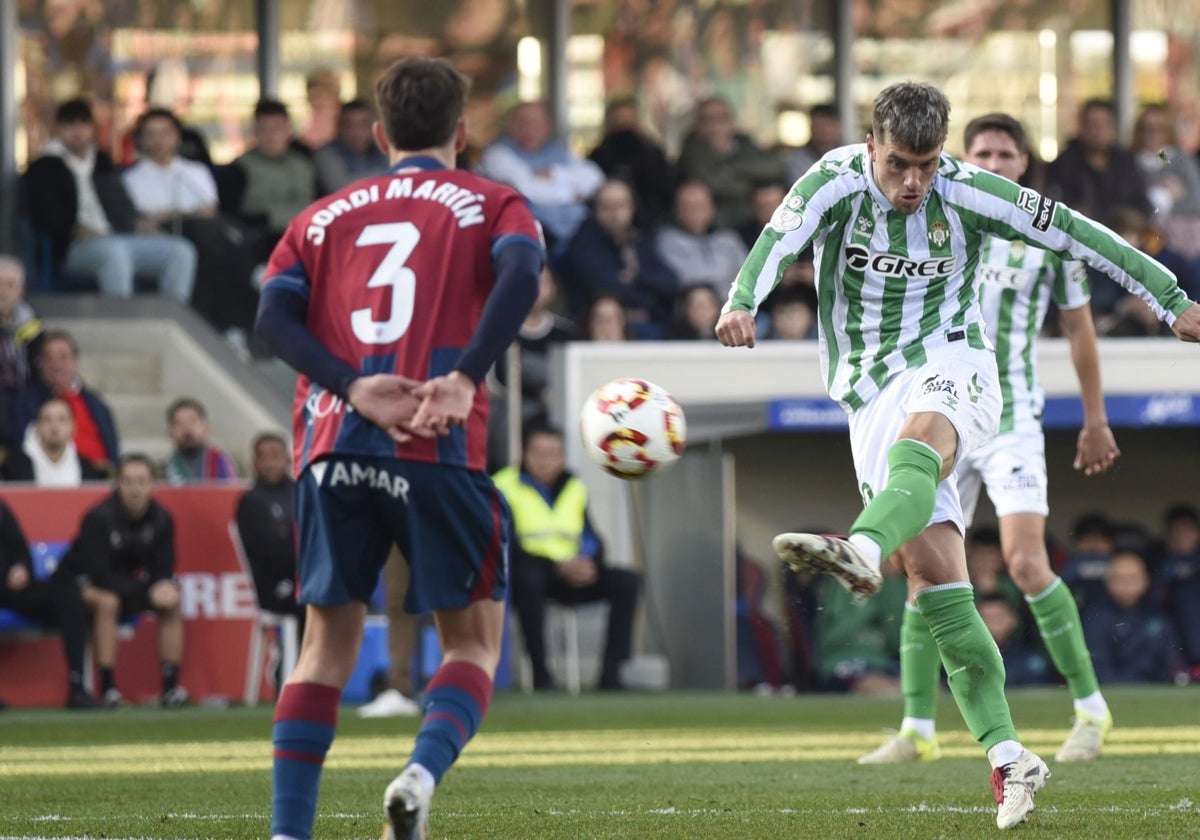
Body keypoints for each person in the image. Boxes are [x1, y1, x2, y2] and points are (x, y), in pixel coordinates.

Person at [716, 82, 1200, 830]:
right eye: (902, 164)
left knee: (926, 452)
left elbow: (1078, 231)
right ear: (872, 144)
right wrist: (742, 298)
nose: (916, 182)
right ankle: (1010, 759)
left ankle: (862, 546)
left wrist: (1172, 298)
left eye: (929, 165)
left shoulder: (972, 191)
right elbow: (779, 236)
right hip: (866, 390)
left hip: (960, 364)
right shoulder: (832, 181)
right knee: (942, 591)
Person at [253, 56, 544, 840]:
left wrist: (351, 385)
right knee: (475, 643)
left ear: (379, 134)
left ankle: (288, 833)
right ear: (462, 130)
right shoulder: (491, 200)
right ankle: (418, 774)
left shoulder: (320, 216)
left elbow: (271, 323)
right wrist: (462, 377)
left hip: (333, 445)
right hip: (436, 445)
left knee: (321, 653)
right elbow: (525, 270)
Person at [859, 113, 1120, 768]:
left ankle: (1091, 708)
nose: (995, 162)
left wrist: (1095, 419)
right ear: (959, 159)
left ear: (1023, 164)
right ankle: (917, 727)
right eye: (983, 152)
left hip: (1009, 420)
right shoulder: (931, 223)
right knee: (925, 574)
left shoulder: (1043, 238)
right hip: (940, 412)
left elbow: (1080, 331)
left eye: (1007, 152)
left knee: (1026, 564)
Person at [493, 425, 640, 691]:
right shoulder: (504, 485)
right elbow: (506, 545)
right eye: (537, 453)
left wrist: (589, 563)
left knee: (627, 581)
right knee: (528, 580)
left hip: (572, 573)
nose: (544, 460)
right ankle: (541, 675)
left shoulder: (574, 487)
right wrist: (555, 566)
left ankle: (611, 674)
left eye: (552, 453)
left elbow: (592, 538)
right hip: (532, 573)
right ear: (524, 454)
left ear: (562, 457)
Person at [22, 98, 196, 302]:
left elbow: (121, 204)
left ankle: (170, 320)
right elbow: (44, 217)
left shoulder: (102, 163)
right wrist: (74, 227)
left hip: (117, 236)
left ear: (92, 129)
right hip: (74, 246)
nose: (77, 131)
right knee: (115, 253)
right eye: (70, 124)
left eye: (83, 124)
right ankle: (122, 322)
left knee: (180, 251)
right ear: (58, 129)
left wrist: (138, 223)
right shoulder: (44, 168)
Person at [54, 454, 187, 708]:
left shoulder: (162, 518)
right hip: (79, 585)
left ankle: (171, 688)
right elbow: (99, 574)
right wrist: (148, 592)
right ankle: (108, 688)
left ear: (152, 484)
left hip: (128, 587)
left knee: (171, 599)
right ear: (117, 484)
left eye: (142, 481)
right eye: (128, 482)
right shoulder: (98, 517)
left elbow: (164, 565)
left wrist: (162, 586)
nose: (135, 489)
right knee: (108, 602)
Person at [0, 497, 100, 708]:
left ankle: (78, 687)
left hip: (9, 587)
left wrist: (21, 567)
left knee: (67, 594)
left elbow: (19, 546)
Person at [478, 100, 605, 257]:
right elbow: (530, 191)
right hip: (532, 237)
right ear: (510, 126)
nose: (529, 129)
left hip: (576, 233)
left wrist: (556, 174)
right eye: (522, 122)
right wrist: (573, 194)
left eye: (536, 123)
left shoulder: (558, 150)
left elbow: (594, 179)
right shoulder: (497, 154)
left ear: (548, 126)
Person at [15, 329, 119, 471]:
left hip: (103, 478)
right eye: (48, 358)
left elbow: (113, 449)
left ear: (76, 360)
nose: (56, 365)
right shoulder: (26, 403)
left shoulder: (95, 402)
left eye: (62, 357)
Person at [1082, 549, 1185, 684]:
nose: (1126, 584)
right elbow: (1099, 671)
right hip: (1112, 692)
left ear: (1145, 580)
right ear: (1108, 582)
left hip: (1157, 694)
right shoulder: (1094, 618)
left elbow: (1174, 666)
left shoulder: (1158, 617)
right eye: (1119, 578)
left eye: (1132, 578)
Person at [236, 432, 304, 627]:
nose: (269, 463)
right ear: (254, 463)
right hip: (274, 587)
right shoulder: (250, 501)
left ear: (288, 459)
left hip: (304, 578)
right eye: (263, 457)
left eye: (275, 455)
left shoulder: (301, 492)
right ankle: (303, 656)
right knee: (316, 601)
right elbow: (266, 551)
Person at [1, 397, 107, 484]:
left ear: (73, 427)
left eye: (61, 419)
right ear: (37, 427)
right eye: (47, 419)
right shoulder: (14, 465)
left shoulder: (86, 467)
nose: (54, 426)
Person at [0, 256, 44, 448]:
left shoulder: (34, 325)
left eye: (10, 285)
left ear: (21, 291)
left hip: (24, 396)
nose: (3, 291)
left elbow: (39, 370)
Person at [313, 99, 390, 195]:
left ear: (374, 127)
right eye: (349, 125)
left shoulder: (382, 150)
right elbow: (343, 189)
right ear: (338, 127)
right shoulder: (325, 154)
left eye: (363, 124)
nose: (356, 131)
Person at [164, 397, 239, 483]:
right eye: (180, 424)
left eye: (193, 421)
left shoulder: (224, 463)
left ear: (207, 428)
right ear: (170, 433)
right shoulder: (162, 471)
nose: (187, 429)